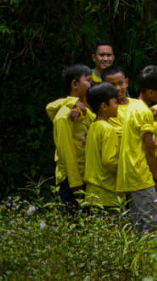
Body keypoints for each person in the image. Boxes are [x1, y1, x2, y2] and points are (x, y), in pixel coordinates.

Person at [117, 65, 157, 231]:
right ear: (151, 93)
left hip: (129, 172)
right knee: (155, 221)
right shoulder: (144, 112)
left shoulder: (132, 107)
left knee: (138, 222)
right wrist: (156, 177)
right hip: (140, 173)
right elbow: (150, 148)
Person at [52, 64, 94, 210]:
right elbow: (67, 153)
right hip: (71, 181)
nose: (91, 84)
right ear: (75, 84)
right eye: (88, 80)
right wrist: (76, 185)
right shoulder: (64, 116)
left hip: (85, 176)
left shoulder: (83, 110)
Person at [84, 83, 123, 209]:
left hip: (92, 192)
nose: (118, 106)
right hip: (107, 194)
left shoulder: (93, 126)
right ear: (104, 106)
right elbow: (109, 161)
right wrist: (126, 169)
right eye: (115, 102)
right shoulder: (108, 129)